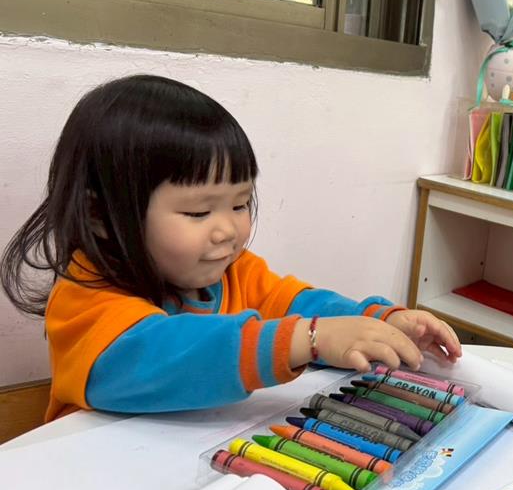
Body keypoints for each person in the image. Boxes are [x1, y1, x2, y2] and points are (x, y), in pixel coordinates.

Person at [1, 75, 461, 421]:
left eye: (240, 204)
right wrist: (305, 338)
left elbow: (298, 303)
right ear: (100, 215)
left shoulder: (234, 271)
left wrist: (375, 320)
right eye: (198, 212)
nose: (227, 231)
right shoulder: (83, 297)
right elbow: (154, 355)